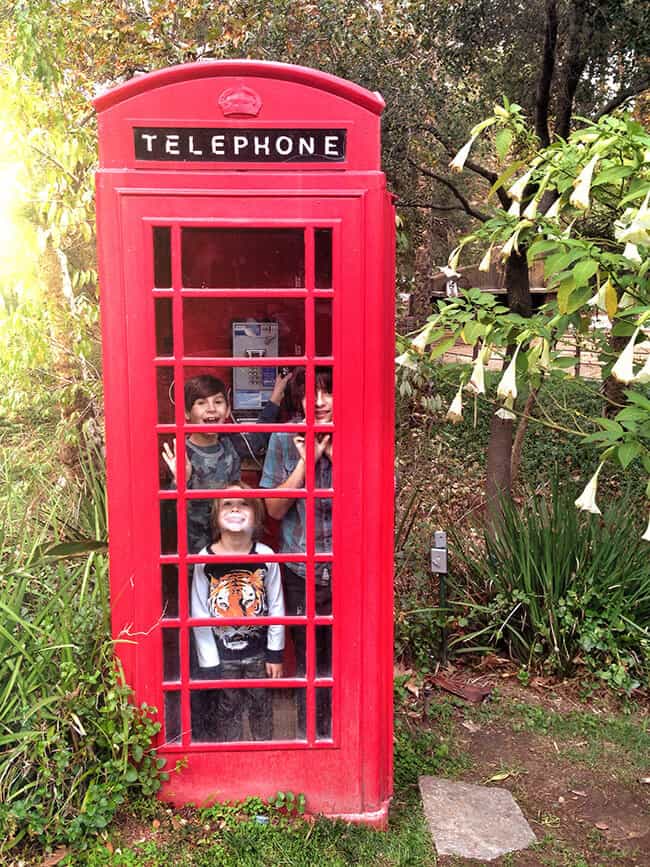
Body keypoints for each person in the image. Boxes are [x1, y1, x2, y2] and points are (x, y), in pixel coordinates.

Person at [259, 367, 333, 738]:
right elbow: (272, 509)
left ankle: (342, 736)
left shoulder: (361, 436)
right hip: (299, 570)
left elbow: (375, 505)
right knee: (309, 661)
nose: (318, 402)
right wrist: (308, 462)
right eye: (310, 393)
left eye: (327, 392)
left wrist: (335, 454)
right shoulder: (283, 437)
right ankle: (313, 737)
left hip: (348, 571)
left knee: (344, 661)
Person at [191, 486, 284, 741]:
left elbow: (276, 605)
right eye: (227, 503)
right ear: (215, 516)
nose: (234, 508)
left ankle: (266, 757)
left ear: (256, 515)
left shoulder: (266, 556)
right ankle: (229, 758)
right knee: (227, 709)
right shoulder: (204, 558)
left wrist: (275, 653)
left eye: (243, 503)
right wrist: (208, 660)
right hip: (221, 655)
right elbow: (198, 611)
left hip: (259, 652)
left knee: (261, 707)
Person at [162, 372, 290, 553]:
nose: (211, 408)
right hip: (193, 554)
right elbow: (165, 518)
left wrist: (277, 395)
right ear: (186, 413)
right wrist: (178, 482)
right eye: (201, 403)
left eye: (218, 402)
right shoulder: (179, 455)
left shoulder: (232, 444)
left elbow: (259, 435)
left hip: (232, 548)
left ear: (228, 410)